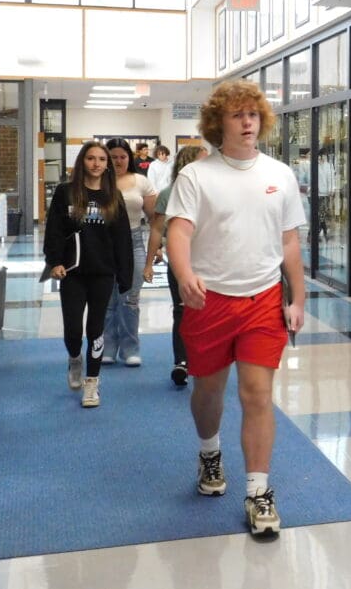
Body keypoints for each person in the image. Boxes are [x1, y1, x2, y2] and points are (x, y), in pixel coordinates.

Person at [165, 79, 306, 538]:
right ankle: (209, 452)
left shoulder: (280, 175)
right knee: (208, 393)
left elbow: (289, 240)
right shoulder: (196, 176)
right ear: (217, 124)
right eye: (236, 115)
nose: (247, 122)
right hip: (210, 301)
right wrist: (185, 274)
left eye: (252, 114)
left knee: (257, 395)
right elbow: (180, 232)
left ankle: (259, 492)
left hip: (263, 299)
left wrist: (298, 297)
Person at [43, 141, 132, 408]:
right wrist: (54, 262)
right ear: (83, 162)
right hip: (71, 272)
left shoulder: (113, 197)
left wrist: (124, 275)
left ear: (107, 165)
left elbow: (122, 239)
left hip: (102, 273)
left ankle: (92, 382)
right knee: (73, 329)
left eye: (102, 160)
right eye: (91, 158)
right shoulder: (65, 193)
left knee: (95, 328)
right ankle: (74, 358)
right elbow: (54, 230)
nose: (96, 164)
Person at [143, 144, 208, 387]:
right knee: (182, 310)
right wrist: (149, 263)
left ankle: (203, 358)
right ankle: (181, 361)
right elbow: (157, 230)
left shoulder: (213, 192)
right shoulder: (169, 194)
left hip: (210, 262)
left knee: (208, 311)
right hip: (180, 262)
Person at [103, 137, 157, 366]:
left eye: (123, 157)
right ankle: (107, 347)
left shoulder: (141, 182)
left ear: (129, 158)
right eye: (113, 157)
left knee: (129, 298)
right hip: (103, 243)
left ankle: (130, 348)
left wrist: (157, 250)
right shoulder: (98, 181)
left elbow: (155, 218)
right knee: (106, 300)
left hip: (134, 241)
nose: (118, 161)